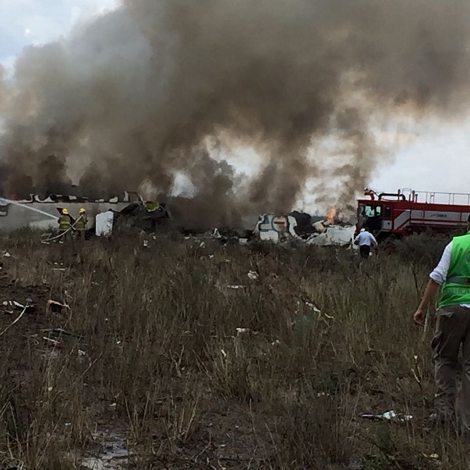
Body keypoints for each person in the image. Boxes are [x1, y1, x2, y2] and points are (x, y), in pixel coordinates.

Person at [414, 215, 470, 433]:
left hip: (452, 310)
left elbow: (436, 277)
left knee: (445, 360)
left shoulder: (455, 244)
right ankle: (467, 427)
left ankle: (444, 419)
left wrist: (421, 308)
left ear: (468, 224)